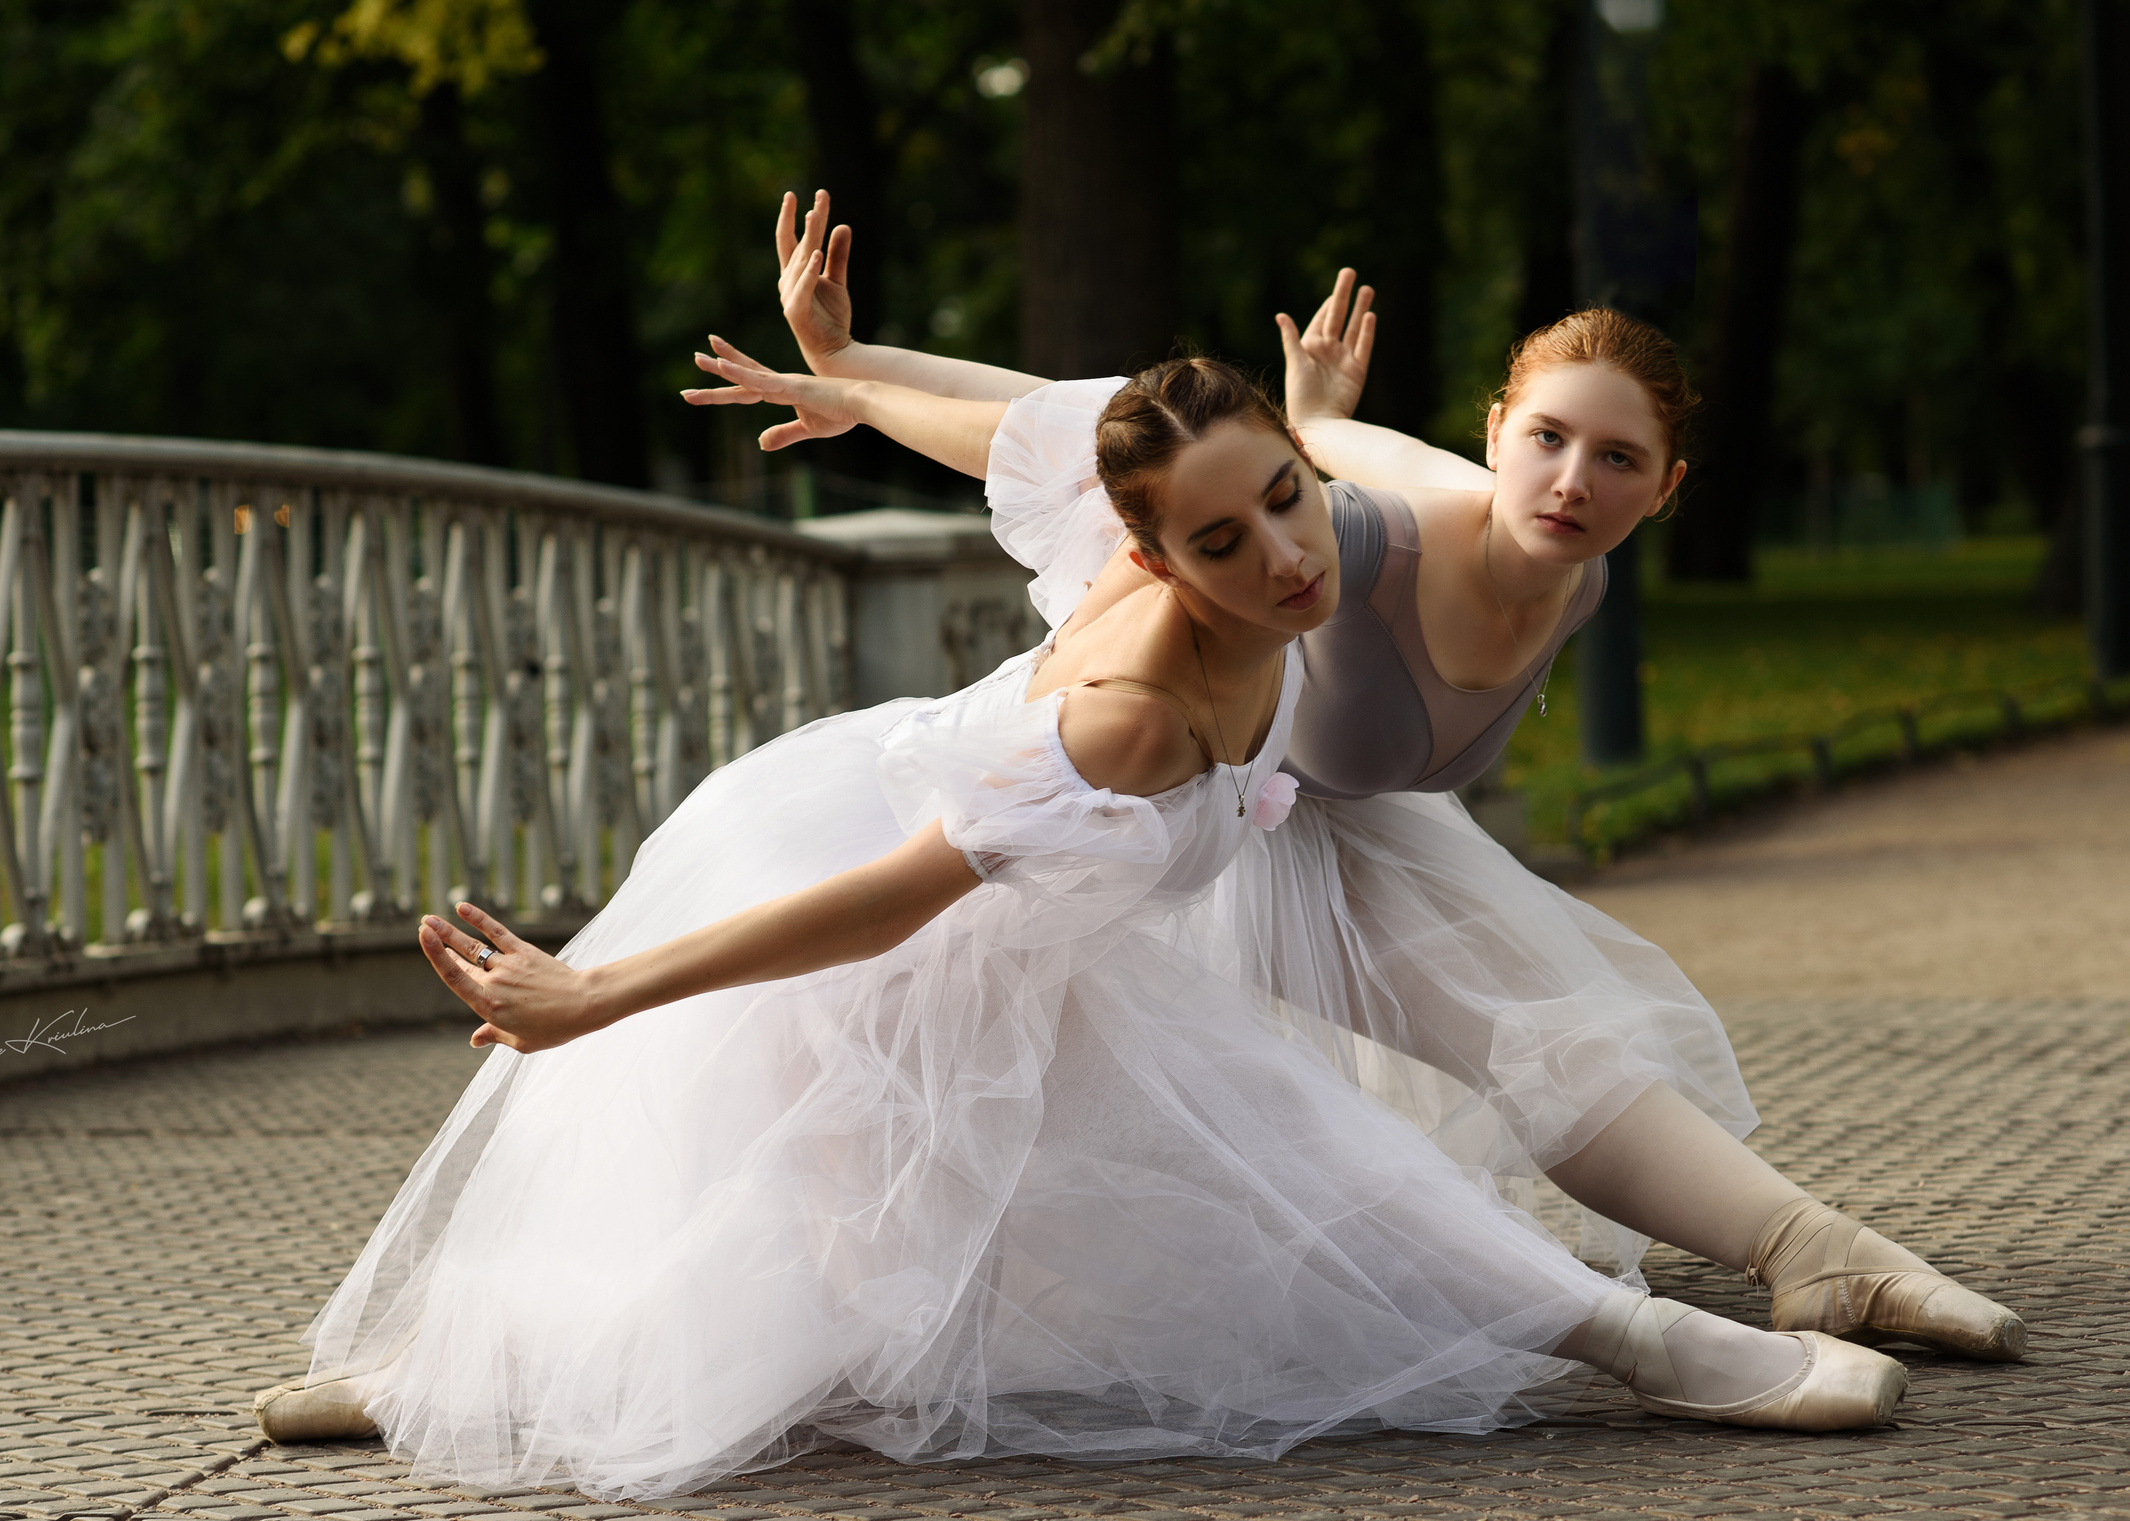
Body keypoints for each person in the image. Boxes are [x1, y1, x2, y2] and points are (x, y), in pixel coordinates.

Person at [253, 354, 1906, 1496]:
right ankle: (1660, 1348)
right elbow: (881, 902)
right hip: (879, 937)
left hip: (1046, 932)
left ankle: (1654, 1344)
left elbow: (1001, 431)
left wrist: (841, 380)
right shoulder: (1124, 714)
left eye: (1287, 494)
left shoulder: (1222, 501)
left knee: (1053, 1233)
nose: (1282, 558)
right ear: (1148, 548)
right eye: (1219, 541)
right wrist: (600, 989)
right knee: (854, 1276)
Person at [764, 191, 2026, 1373]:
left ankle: (1816, 1257)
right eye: (1544, 439)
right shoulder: (1369, 531)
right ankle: (1745, 1289)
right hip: (1181, 829)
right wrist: (861, 379)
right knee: (1196, 1179)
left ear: (1667, 487)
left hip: (1345, 834)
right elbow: (1095, 437)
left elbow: (1316, 430)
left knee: (1547, 1039)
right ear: (1492, 434)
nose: (1573, 482)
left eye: (1618, 460)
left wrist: (1313, 405)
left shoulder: (1573, 569)